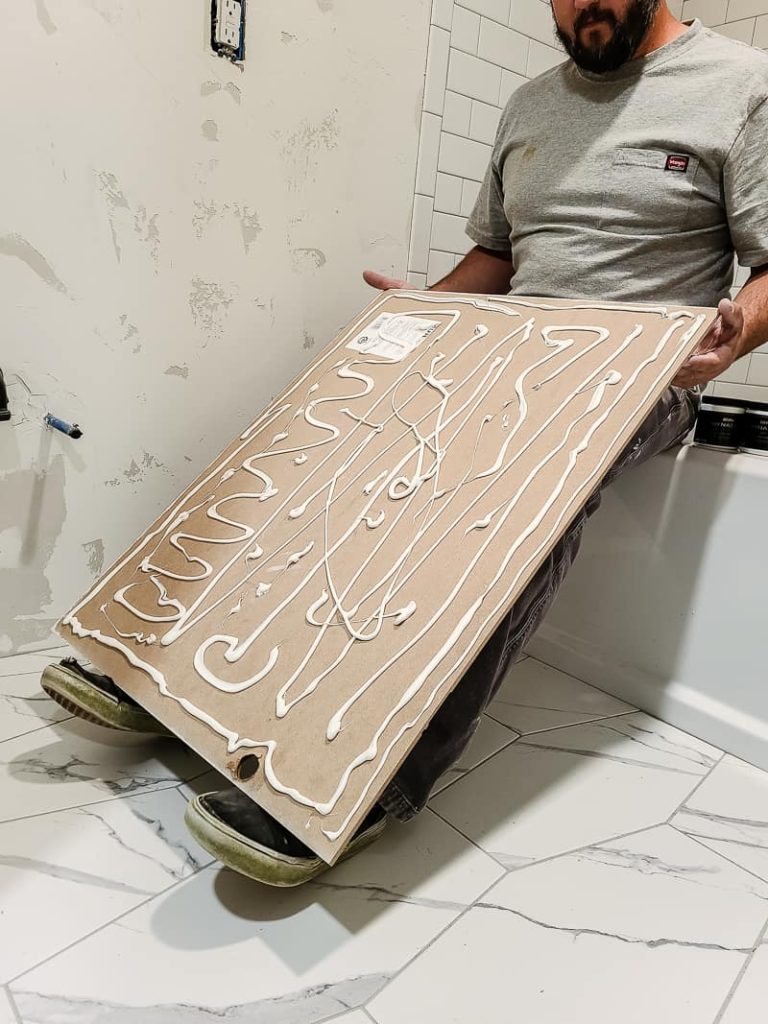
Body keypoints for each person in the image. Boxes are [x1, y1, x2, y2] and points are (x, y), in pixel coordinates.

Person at [42, 0, 768, 886]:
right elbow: (494, 261)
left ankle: (369, 779)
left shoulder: (737, 85)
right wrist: (418, 313)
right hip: (503, 352)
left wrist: (733, 334)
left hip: (646, 366)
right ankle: (168, 670)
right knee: (336, 425)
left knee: (510, 485)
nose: (581, 9)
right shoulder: (530, 104)